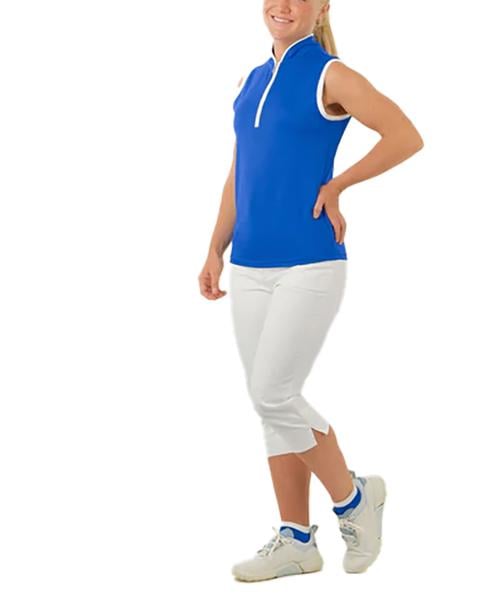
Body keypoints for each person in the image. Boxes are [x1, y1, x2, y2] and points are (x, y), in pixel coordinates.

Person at [199, 0, 424, 582]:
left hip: (310, 261)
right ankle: (297, 540)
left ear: (321, 6)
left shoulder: (330, 74)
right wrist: (215, 247)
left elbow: (405, 135)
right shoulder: (251, 81)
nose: (284, 5)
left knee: (273, 392)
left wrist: (339, 184)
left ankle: (354, 498)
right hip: (249, 265)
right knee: (271, 404)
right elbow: (240, 171)